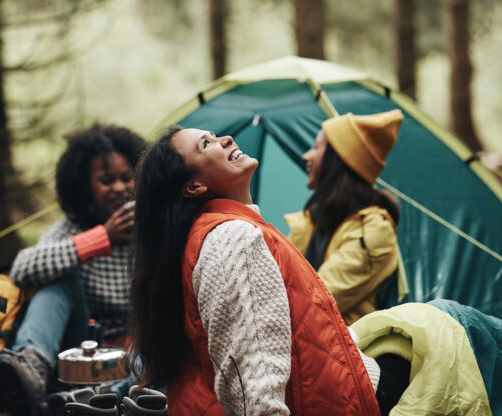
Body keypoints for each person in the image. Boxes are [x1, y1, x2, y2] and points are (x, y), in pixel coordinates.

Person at [131, 126, 394, 415]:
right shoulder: (232, 239)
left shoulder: (212, 234)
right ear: (194, 187)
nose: (226, 139)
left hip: (330, 375)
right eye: (206, 144)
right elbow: (256, 388)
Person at [0, 124, 147, 416]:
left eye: (126, 178)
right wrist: (103, 238)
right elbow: (22, 269)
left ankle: (92, 401)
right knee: (56, 280)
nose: (118, 188)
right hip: (80, 352)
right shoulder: (71, 229)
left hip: (139, 352)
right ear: (84, 187)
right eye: (105, 180)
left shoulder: (154, 230)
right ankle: (31, 367)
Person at [286, 110, 404, 325]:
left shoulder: (374, 231)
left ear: (337, 160)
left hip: (349, 354)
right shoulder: (311, 221)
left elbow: (315, 301)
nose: (306, 156)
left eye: (316, 147)